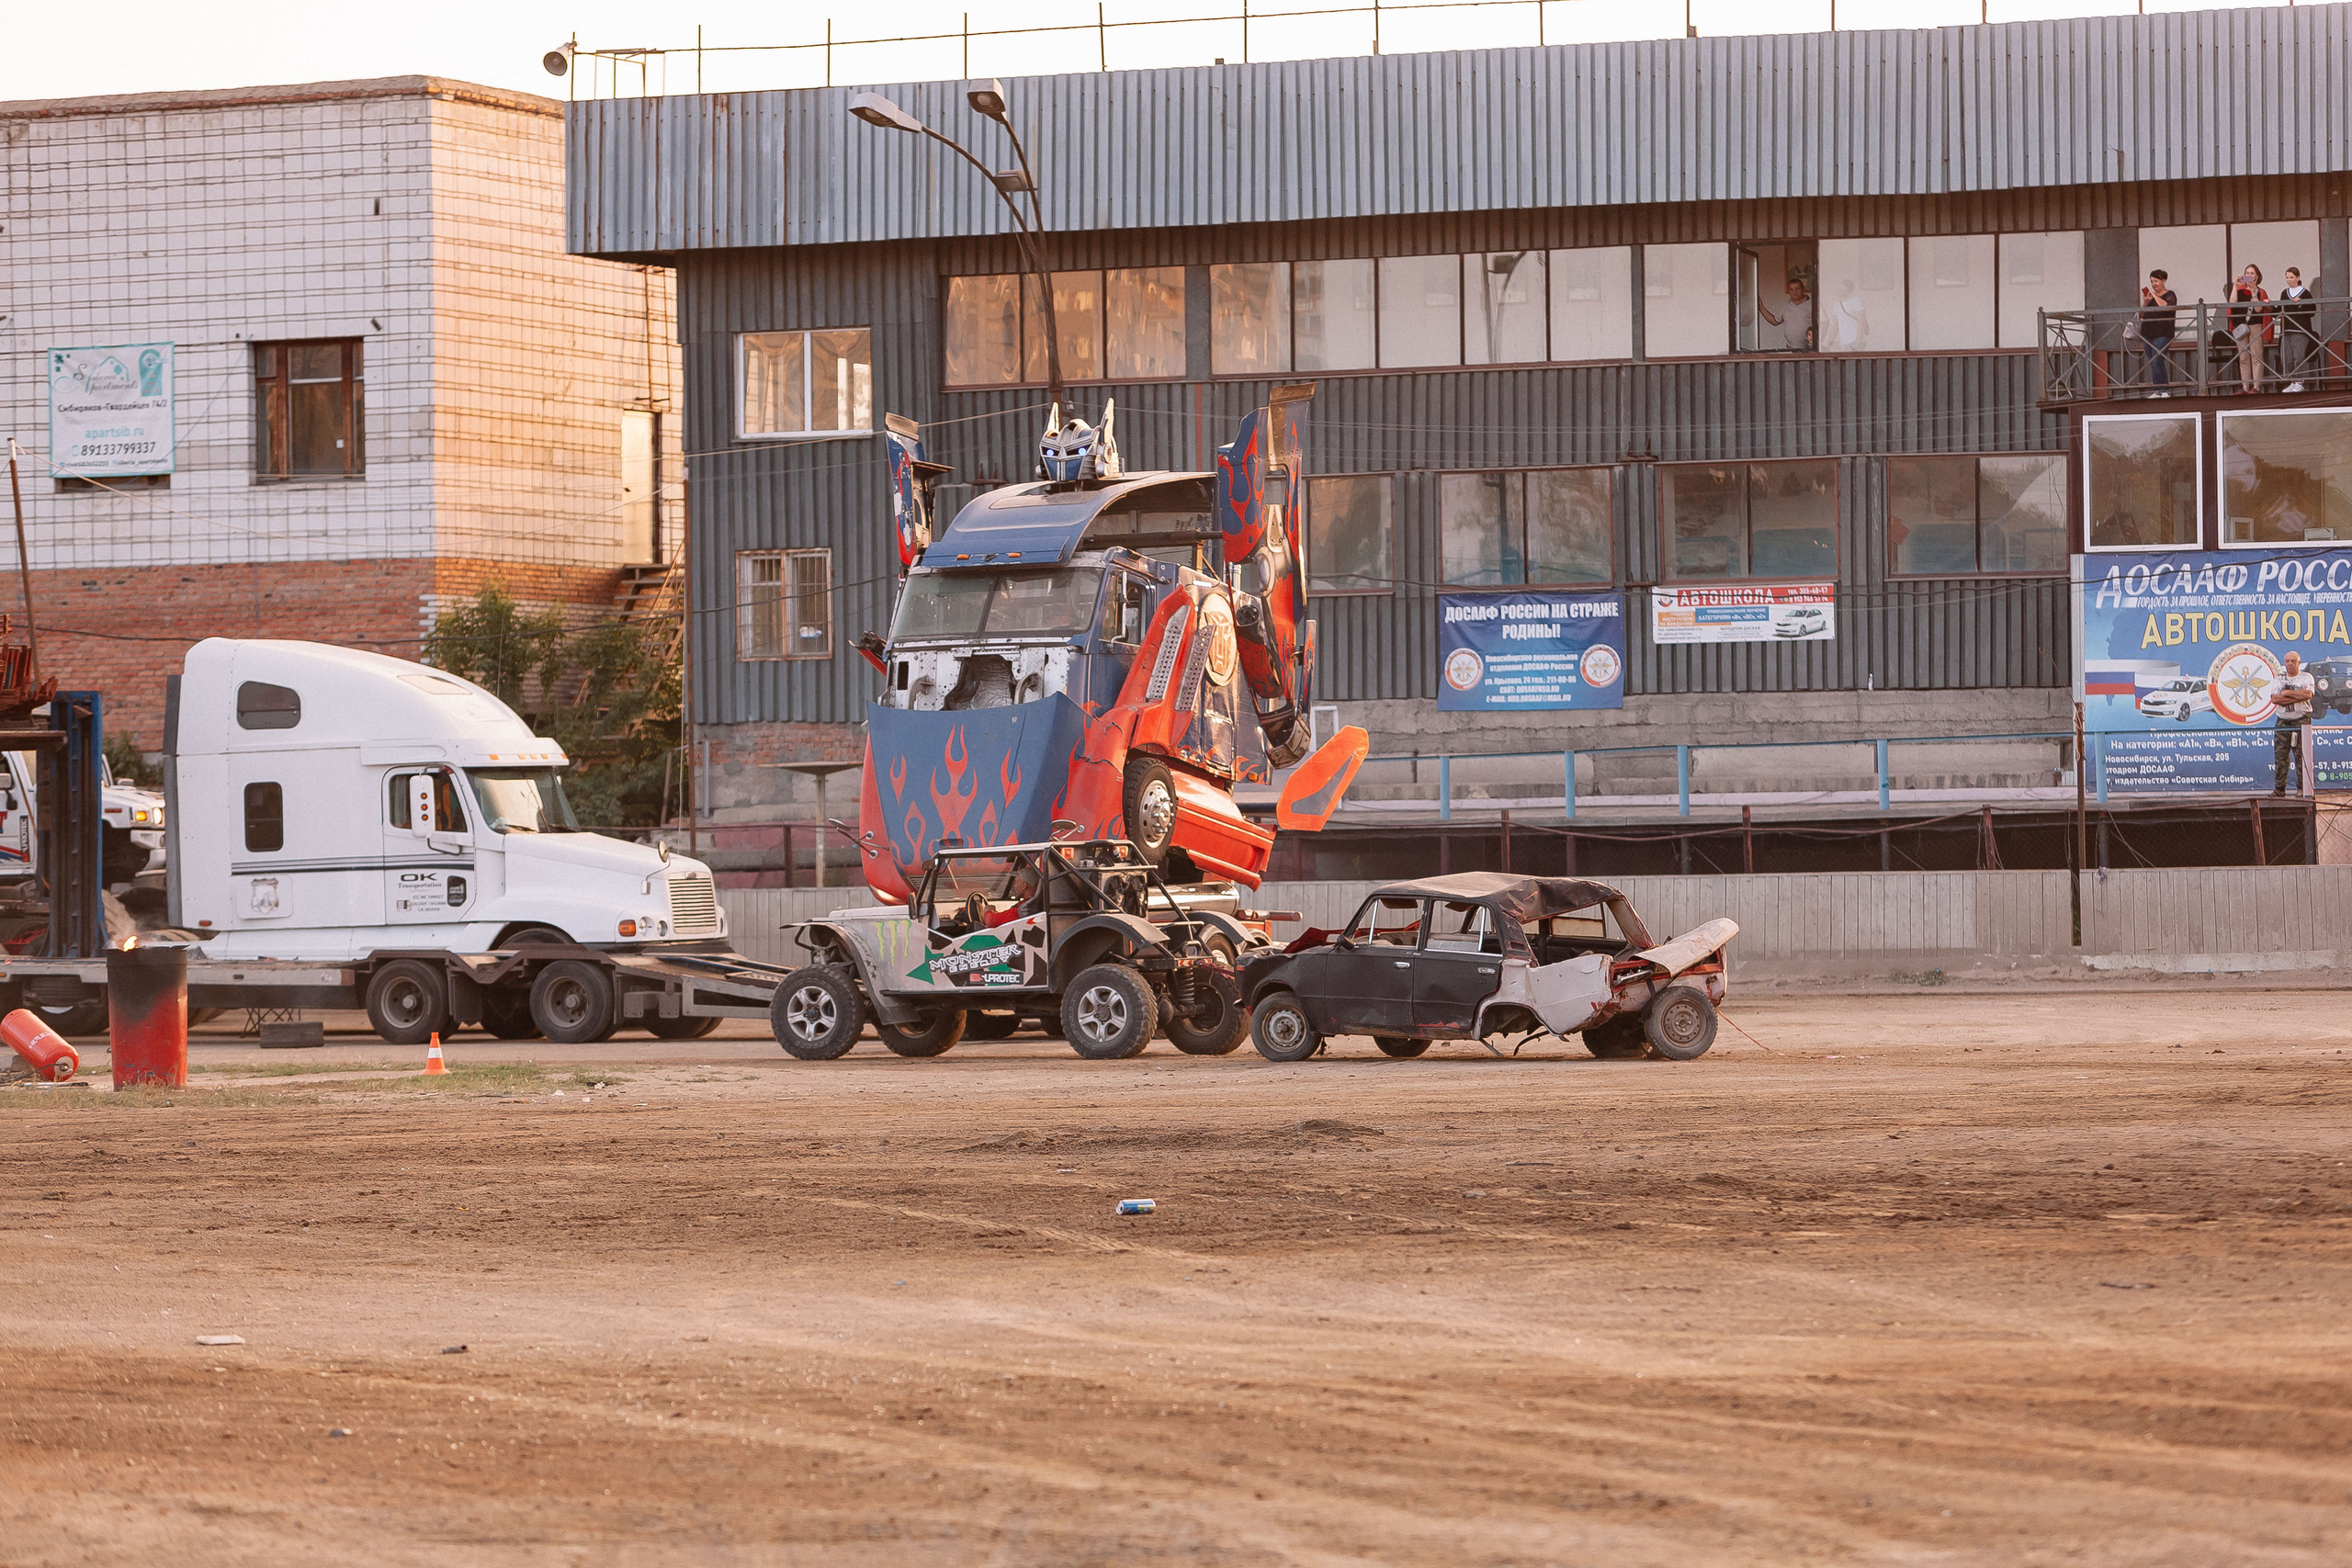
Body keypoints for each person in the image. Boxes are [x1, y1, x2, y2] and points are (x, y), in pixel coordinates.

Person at [2273, 650, 2316, 796]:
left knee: (2302, 756)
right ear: (2284, 662)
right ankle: (2279, 789)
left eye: (2293, 661)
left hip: (2302, 720)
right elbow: (2275, 700)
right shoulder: (2279, 679)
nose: (2290, 663)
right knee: (2280, 756)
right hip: (2283, 721)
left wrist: (2286, 693)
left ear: (2299, 662)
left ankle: (2303, 788)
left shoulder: (2306, 677)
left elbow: (2308, 694)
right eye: (2287, 661)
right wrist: (2297, 697)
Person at [2228, 263, 2270, 393]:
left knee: (2256, 356)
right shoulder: (2239, 290)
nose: (2249, 276)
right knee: (2243, 357)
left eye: (2252, 273)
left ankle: (2256, 386)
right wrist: (2235, 286)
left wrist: (2253, 293)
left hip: (2255, 326)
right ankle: (2245, 386)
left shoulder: (2260, 291)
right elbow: (2232, 303)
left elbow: (2258, 309)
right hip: (2240, 326)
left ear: (2257, 276)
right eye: (2247, 273)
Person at [2278, 266, 2320, 394]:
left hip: (2301, 330)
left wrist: (2301, 303)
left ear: (2298, 277)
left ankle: (2300, 382)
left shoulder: (2305, 293)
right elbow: (2279, 310)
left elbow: (2312, 310)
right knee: (2287, 358)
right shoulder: (2284, 293)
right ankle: (2293, 381)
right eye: (2287, 277)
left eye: (2291, 277)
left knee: (2298, 356)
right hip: (2287, 329)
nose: (2289, 280)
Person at [2138, 270, 2178, 394]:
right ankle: (2160, 391)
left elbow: (2166, 307)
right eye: (2151, 281)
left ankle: (2162, 391)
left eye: (2156, 281)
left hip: (2163, 333)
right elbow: (2141, 314)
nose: (2153, 284)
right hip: (2148, 332)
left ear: (2163, 280)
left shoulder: (2170, 294)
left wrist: (2154, 295)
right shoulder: (2150, 298)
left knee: (2157, 360)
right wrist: (2146, 302)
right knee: (2154, 362)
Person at [1757, 278, 1815, 353]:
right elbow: (1775, 321)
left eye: (1797, 289)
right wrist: (1761, 307)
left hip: (1809, 350)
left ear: (1803, 289)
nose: (1795, 292)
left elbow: (1824, 322)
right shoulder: (1786, 306)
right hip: (1790, 349)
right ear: (1789, 291)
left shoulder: (1813, 304)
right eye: (1791, 289)